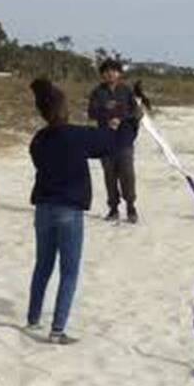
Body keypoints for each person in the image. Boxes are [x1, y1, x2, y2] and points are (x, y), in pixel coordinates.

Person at [28, 78, 117, 345]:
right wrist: (127, 124)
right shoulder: (76, 135)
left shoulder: (38, 139)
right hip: (68, 210)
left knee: (43, 266)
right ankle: (57, 330)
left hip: (43, 209)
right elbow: (110, 143)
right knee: (69, 271)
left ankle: (33, 318)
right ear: (63, 109)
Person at [87, 60, 143, 224]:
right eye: (106, 71)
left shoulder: (127, 91)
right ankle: (113, 208)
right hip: (105, 139)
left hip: (125, 139)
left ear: (119, 73)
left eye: (113, 71)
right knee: (109, 175)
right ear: (102, 74)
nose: (110, 74)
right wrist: (106, 115)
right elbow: (91, 112)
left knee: (127, 174)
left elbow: (137, 112)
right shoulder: (97, 92)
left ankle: (131, 207)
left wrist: (121, 119)